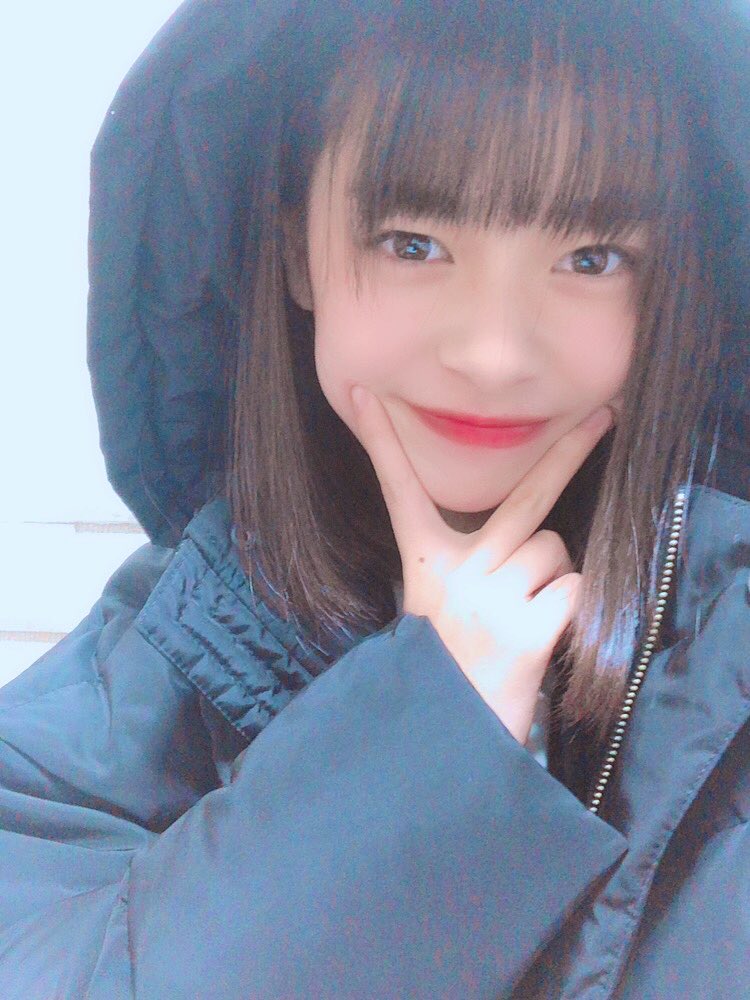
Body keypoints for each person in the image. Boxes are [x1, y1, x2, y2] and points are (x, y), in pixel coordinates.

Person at [0, 0, 748, 996]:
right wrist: (424, 741)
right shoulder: (161, 658)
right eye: (413, 243)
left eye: (590, 258)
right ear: (297, 250)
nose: (493, 353)